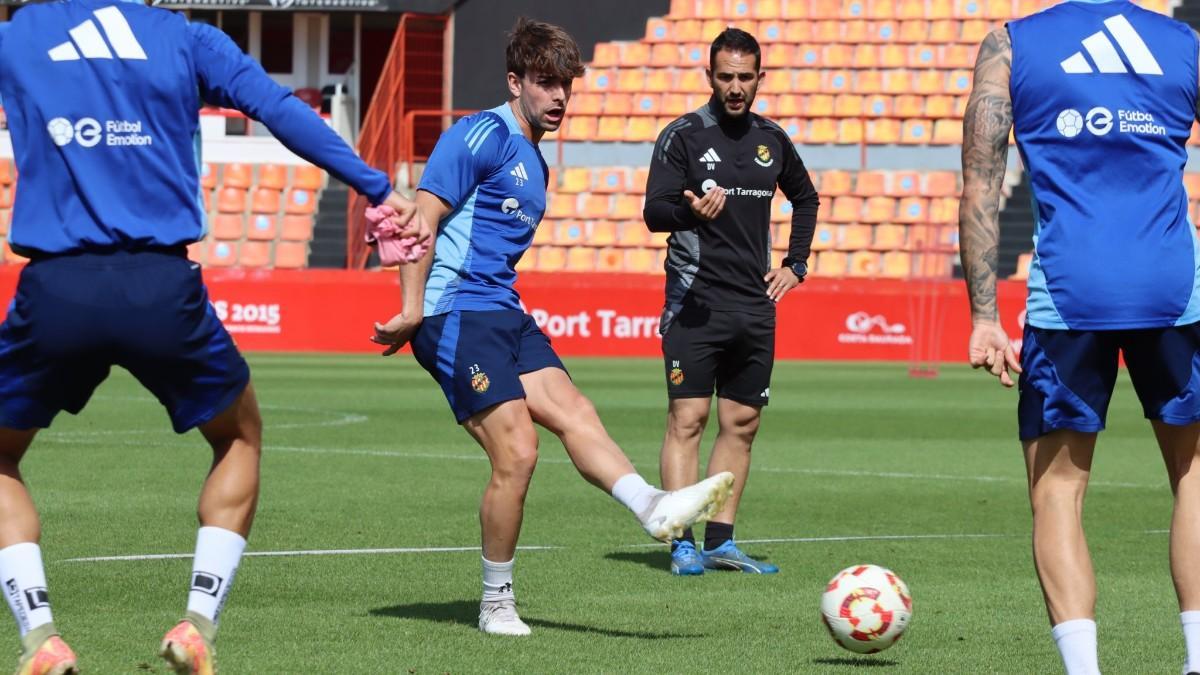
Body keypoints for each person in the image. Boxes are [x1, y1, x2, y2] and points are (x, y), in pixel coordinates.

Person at [0, 4, 425, 674]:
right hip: (161, 285)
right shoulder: (185, 37)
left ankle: (39, 635)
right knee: (239, 435)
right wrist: (375, 187)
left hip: (56, 289)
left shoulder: (16, 36)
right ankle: (197, 623)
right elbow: (281, 111)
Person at [370, 17, 734, 636]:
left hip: (501, 308)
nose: (559, 96)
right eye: (545, 83)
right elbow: (420, 220)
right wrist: (410, 308)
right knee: (519, 452)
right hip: (452, 311)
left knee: (575, 410)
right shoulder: (478, 135)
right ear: (516, 83)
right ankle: (495, 602)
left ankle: (652, 506)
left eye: (566, 84)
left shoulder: (537, 165)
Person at [960, 2, 1200, 673]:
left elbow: (980, 183)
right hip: (1173, 286)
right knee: (1195, 472)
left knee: (1057, 491)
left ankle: (1084, 670)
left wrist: (984, 315)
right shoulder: (1184, 43)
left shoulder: (1011, 44)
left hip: (1070, 291)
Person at [642, 28, 819, 576]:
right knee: (688, 418)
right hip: (695, 301)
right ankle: (681, 542)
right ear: (710, 77)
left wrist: (795, 265)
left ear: (760, 78)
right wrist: (691, 213)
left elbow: (806, 199)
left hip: (754, 304)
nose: (736, 87)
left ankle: (720, 543)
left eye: (745, 77)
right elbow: (654, 214)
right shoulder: (684, 136)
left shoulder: (773, 139)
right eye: (726, 77)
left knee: (741, 423)